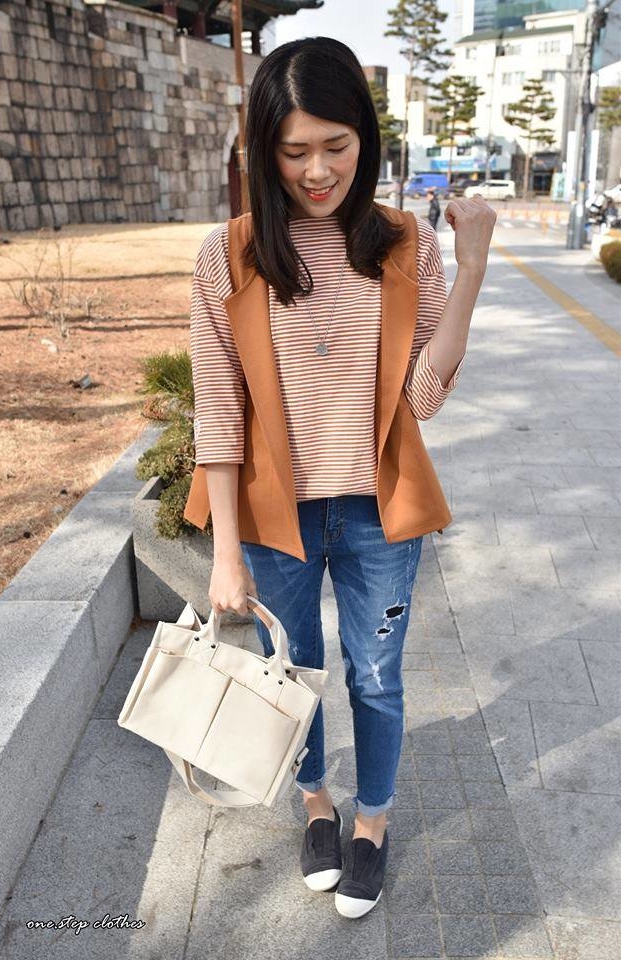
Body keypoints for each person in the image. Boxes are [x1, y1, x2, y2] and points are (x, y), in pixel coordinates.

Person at [187, 37, 495, 919]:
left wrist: (471, 269)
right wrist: (226, 555)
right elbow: (218, 409)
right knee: (294, 671)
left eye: (337, 145)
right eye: (294, 151)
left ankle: (372, 821)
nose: (317, 171)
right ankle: (316, 803)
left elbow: (422, 399)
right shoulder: (230, 255)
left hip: (374, 513)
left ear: (366, 137)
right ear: (264, 149)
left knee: (377, 676)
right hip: (275, 515)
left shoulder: (405, 244)